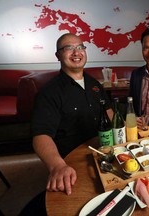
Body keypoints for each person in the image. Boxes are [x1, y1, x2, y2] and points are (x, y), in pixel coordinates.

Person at [31, 33, 113, 196]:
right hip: (72, 160)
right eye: (69, 48)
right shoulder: (50, 92)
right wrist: (57, 166)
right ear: (58, 55)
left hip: (103, 152)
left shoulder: (94, 84)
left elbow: (109, 112)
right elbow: (41, 135)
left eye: (80, 47)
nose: (76, 52)